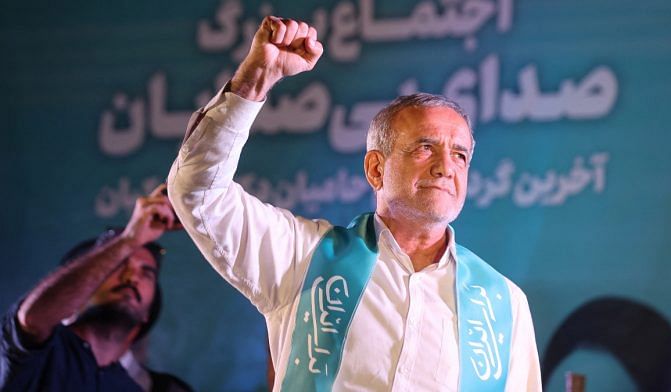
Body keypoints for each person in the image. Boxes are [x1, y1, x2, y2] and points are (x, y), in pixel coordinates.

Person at [167, 16, 542, 391]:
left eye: (460, 155)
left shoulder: (502, 304)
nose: (446, 167)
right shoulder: (303, 257)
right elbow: (198, 192)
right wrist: (255, 79)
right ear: (376, 169)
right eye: (425, 148)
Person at [0, 184, 192, 392]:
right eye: (118, 266)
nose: (131, 278)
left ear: (149, 313)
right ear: (82, 287)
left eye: (146, 273)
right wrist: (130, 240)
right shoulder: (37, 352)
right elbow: (32, 321)